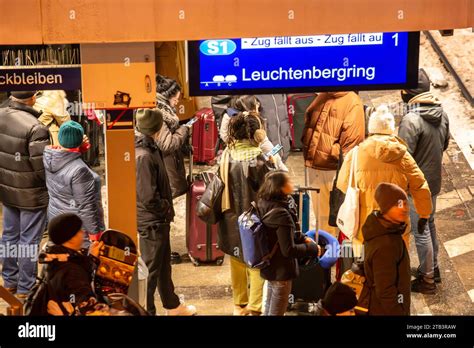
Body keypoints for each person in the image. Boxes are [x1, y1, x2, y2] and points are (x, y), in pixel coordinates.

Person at [337, 105, 432, 253]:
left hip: (364, 228)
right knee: (396, 268)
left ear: (371, 129)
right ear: (391, 129)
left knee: (367, 270)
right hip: (395, 227)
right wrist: (424, 214)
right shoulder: (403, 156)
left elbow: (342, 185)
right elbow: (420, 186)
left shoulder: (355, 154)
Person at [135, 108, 196, 316]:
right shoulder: (143, 156)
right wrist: (165, 207)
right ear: (156, 128)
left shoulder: (150, 148)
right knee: (151, 271)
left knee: (162, 266)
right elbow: (147, 196)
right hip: (151, 220)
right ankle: (146, 311)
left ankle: (172, 305)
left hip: (157, 219)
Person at [398, 69, 450, 294]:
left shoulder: (411, 119)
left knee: (420, 230)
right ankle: (433, 268)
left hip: (415, 186)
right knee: (429, 224)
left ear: (407, 92)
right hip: (434, 182)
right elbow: (445, 144)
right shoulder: (442, 113)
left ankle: (427, 280)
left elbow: (402, 156)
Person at [219, 111, 274, 315]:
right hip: (255, 221)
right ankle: (255, 307)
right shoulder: (261, 159)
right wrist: (266, 142)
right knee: (256, 261)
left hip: (230, 218)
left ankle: (239, 305)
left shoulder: (225, 156)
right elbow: (275, 182)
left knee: (237, 261)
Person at [0, 91, 50, 299]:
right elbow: (42, 167)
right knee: (29, 239)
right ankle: (25, 286)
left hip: (7, 188)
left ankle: (9, 281)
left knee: (9, 235)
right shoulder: (36, 127)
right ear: (32, 99)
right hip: (31, 193)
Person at [256, 171, 320, 315]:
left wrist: (303, 238)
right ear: (281, 187)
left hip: (269, 265)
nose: (292, 183)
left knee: (268, 308)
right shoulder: (281, 213)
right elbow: (288, 250)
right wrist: (311, 249)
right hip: (281, 271)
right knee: (276, 312)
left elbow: (283, 235)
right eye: (288, 181)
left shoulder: (263, 203)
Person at [302, 91, 365, 236]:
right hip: (314, 166)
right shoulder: (323, 95)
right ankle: (325, 252)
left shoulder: (352, 102)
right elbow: (308, 119)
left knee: (332, 221)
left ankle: (333, 256)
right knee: (320, 219)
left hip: (333, 171)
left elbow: (351, 144)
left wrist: (328, 151)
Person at [43, 121, 105, 247]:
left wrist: (78, 148)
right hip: (76, 229)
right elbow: (86, 206)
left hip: (57, 220)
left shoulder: (49, 156)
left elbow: (67, 160)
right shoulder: (80, 170)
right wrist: (95, 235)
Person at [34, 213, 103, 315]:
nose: (83, 233)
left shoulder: (52, 257)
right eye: (79, 230)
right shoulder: (72, 271)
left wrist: (91, 259)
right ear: (71, 238)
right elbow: (89, 308)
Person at [359, 183, 411, 316]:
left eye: (406, 203)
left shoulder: (376, 228)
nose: (404, 209)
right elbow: (385, 290)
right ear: (386, 207)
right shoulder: (386, 244)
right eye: (399, 204)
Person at [219, 95, 288, 171]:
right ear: (249, 107)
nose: (258, 104)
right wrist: (280, 165)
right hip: (256, 165)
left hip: (234, 162)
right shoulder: (254, 122)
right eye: (256, 103)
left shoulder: (229, 116)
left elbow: (224, 136)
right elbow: (266, 144)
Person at [155, 74, 190, 198]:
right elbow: (167, 145)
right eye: (175, 99)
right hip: (163, 167)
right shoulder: (159, 115)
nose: (177, 102)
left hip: (166, 164)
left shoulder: (165, 112)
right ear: (166, 97)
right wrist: (184, 129)